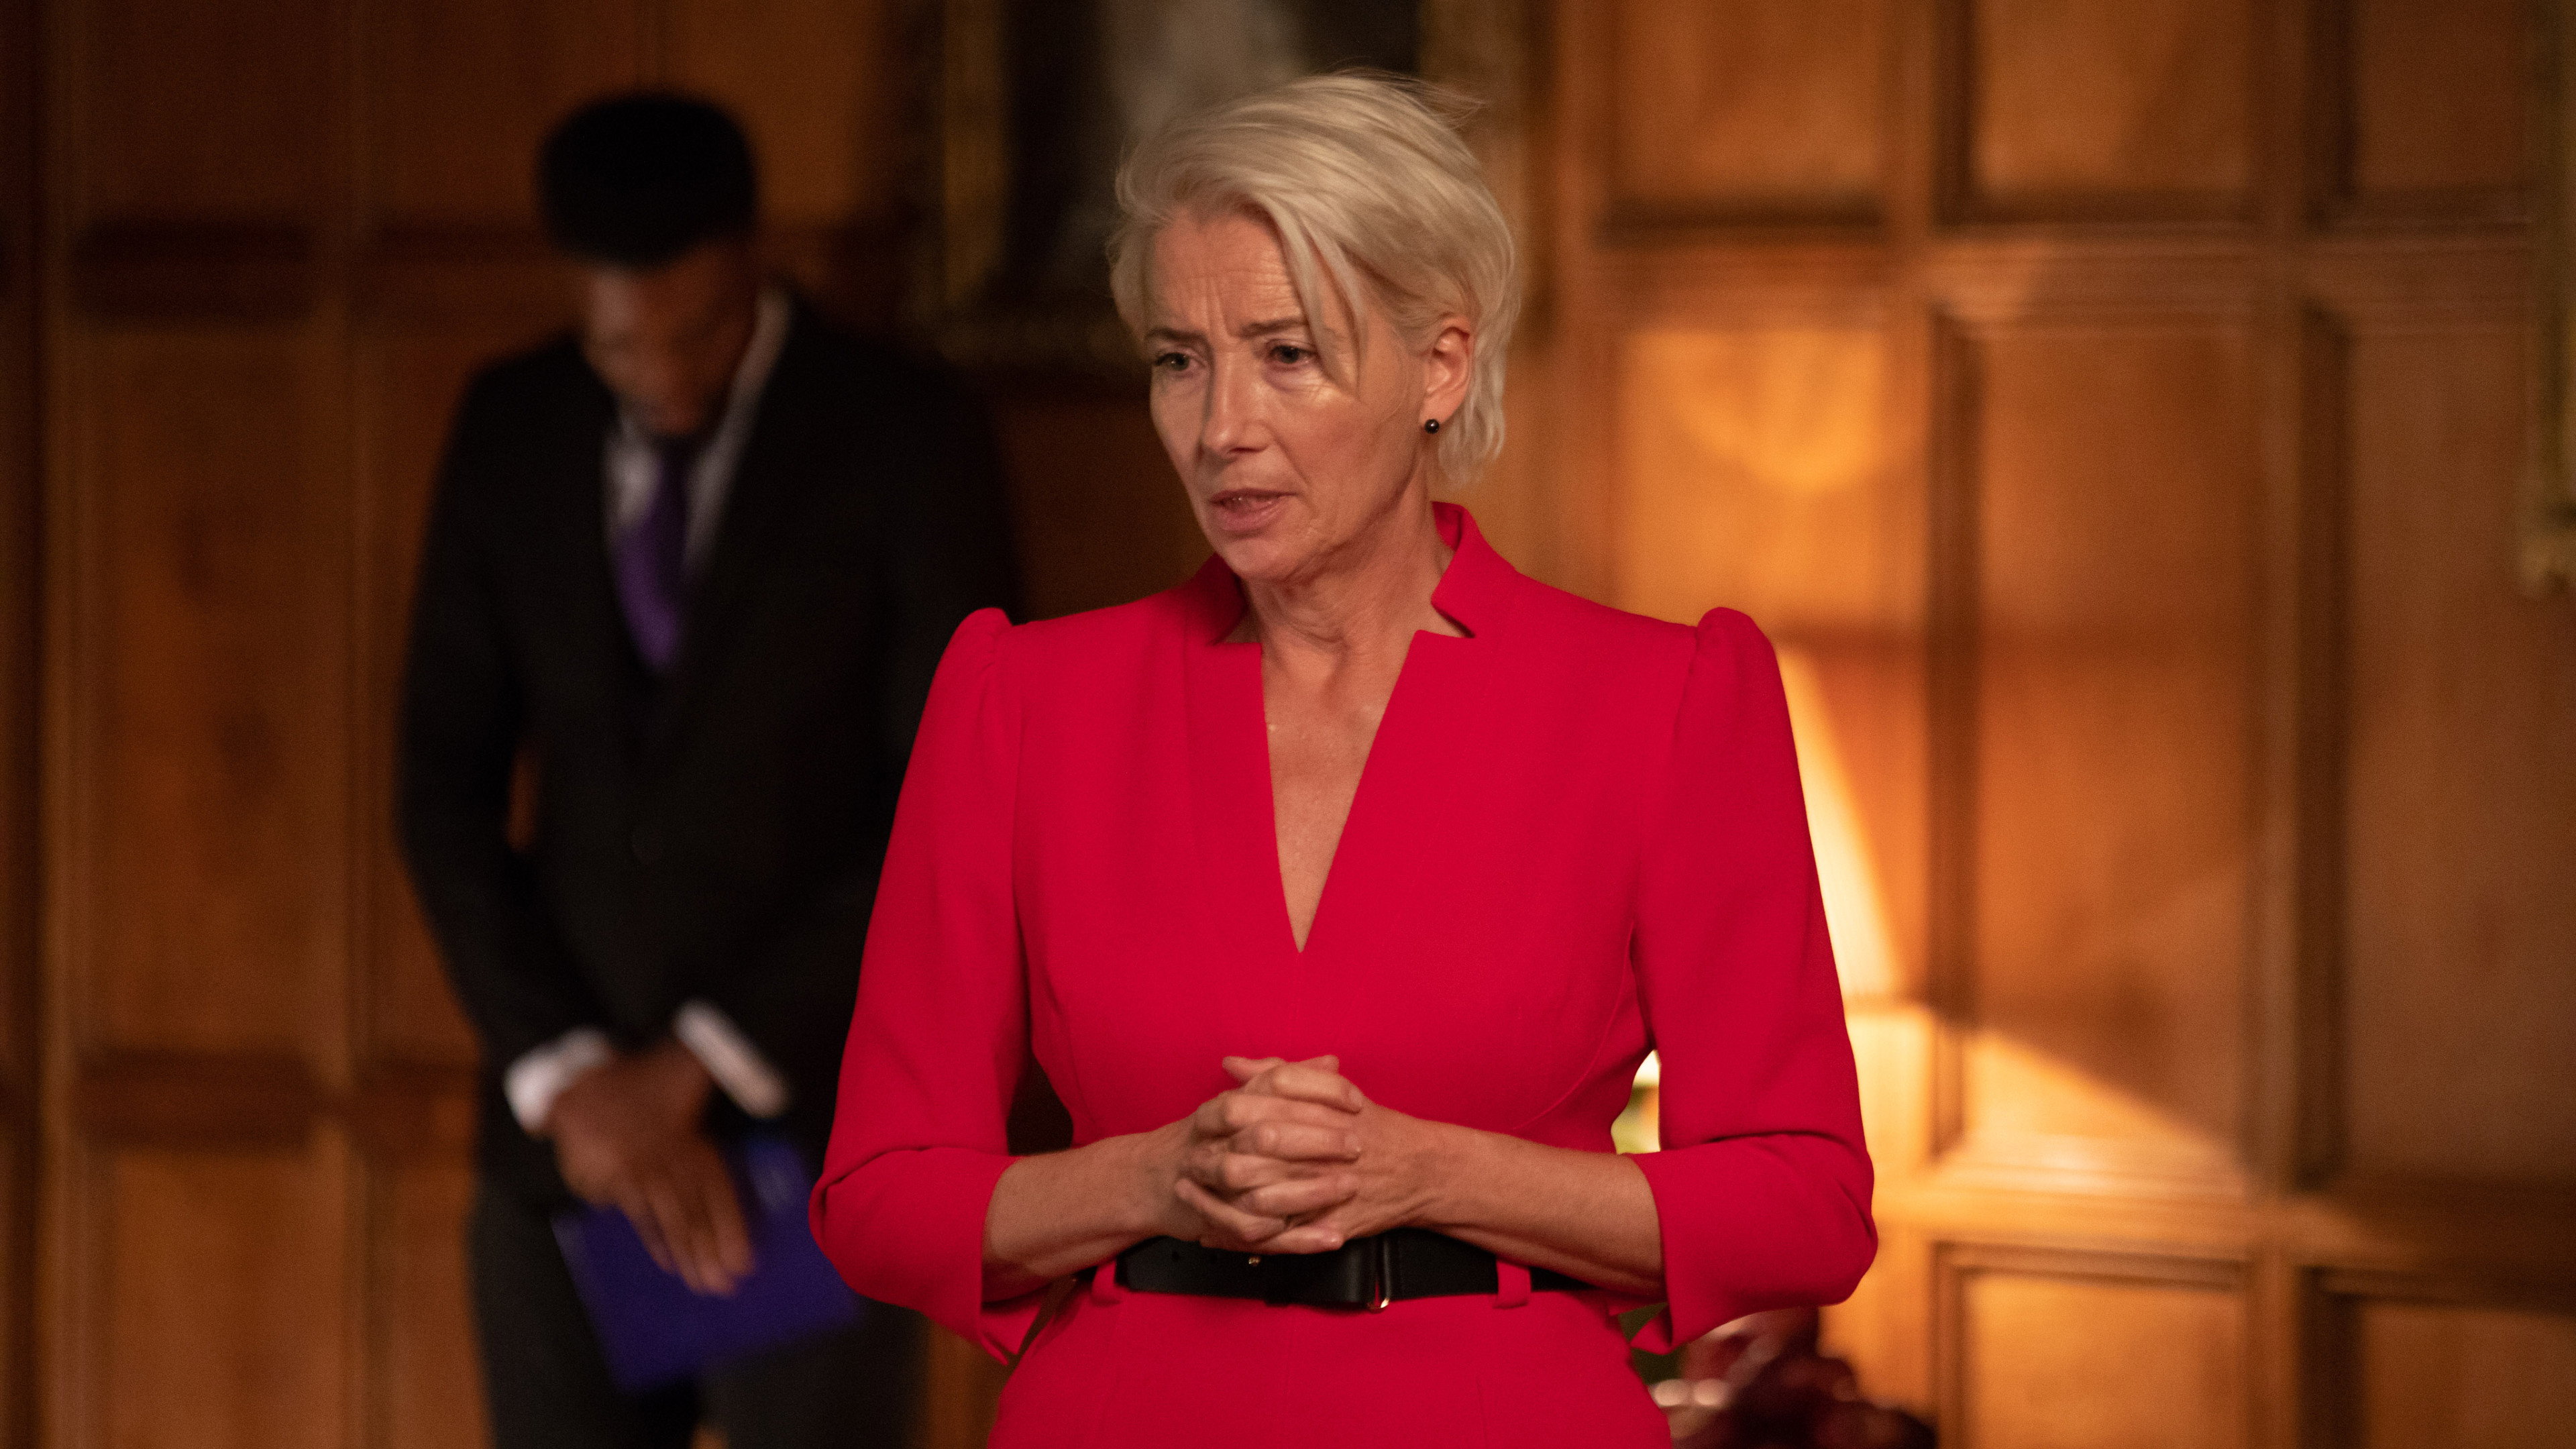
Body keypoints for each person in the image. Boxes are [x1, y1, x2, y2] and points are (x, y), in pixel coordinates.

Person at [810, 72, 1874, 1447]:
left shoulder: (1662, 702)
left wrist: (1428, 1174)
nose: (1220, 428)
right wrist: (1152, 1180)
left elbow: (1804, 1207)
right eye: (1179, 360)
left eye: (1288, 354)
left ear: (1441, 366)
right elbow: (879, 1198)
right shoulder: (1024, 700)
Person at [398, 93, 1016, 1449]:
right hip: (565, 1148)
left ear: (753, 261)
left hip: (804, 1132)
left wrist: (696, 1065)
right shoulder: (512, 428)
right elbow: (440, 789)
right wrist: (573, 1079)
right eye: (622, 347)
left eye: (699, 338)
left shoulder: (905, 433)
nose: (667, 383)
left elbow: (955, 799)